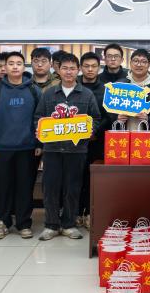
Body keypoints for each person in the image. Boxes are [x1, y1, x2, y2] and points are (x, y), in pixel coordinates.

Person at [34, 52, 102, 241]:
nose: (69, 72)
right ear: (58, 70)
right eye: (65, 68)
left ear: (78, 70)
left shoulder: (86, 94)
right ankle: (51, 225)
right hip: (52, 149)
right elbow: (38, 117)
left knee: (73, 187)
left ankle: (69, 224)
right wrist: (39, 131)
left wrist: (89, 130)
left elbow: (96, 118)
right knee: (51, 187)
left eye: (72, 68)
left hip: (77, 150)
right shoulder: (49, 94)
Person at [0, 51, 41, 240]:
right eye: (11, 63)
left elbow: (40, 120)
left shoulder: (34, 90)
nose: (15, 66)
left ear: (24, 67)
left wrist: (39, 143)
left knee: (25, 187)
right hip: (2, 149)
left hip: (28, 148)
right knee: (1, 188)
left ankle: (24, 223)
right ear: (4, 67)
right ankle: (2, 222)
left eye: (18, 63)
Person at [76, 51, 108, 228]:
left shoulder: (106, 89)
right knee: (75, 177)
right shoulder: (73, 85)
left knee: (92, 178)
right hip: (73, 140)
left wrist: (93, 131)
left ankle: (89, 212)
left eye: (93, 66)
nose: (90, 69)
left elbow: (108, 116)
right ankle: (75, 213)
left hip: (97, 140)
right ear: (81, 68)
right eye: (86, 66)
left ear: (99, 68)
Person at [120, 48, 150, 129]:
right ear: (130, 63)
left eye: (143, 61)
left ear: (149, 65)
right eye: (136, 61)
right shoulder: (121, 85)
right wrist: (117, 117)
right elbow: (109, 112)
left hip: (147, 135)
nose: (139, 64)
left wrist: (149, 118)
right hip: (124, 134)